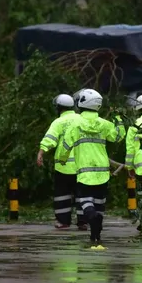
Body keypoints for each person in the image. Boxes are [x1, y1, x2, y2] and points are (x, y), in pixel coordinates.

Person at [59, 89, 125, 244]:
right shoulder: (104, 124)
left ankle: (92, 218)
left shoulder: (75, 124)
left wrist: (62, 159)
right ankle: (96, 236)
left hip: (85, 172)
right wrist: (118, 118)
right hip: (103, 172)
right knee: (99, 204)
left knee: (85, 201)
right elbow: (119, 136)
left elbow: (65, 145)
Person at [37, 94, 85, 230]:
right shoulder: (81, 119)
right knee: (82, 195)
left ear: (58, 107)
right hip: (81, 166)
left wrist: (41, 152)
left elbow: (50, 139)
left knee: (62, 195)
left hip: (63, 167)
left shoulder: (58, 122)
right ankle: (83, 222)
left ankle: (63, 222)